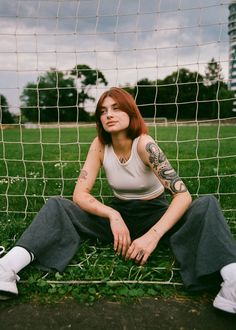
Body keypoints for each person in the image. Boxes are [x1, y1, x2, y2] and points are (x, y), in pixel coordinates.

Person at [0, 87, 236, 313]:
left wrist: (153, 236)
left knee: (207, 204)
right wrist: (113, 215)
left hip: (155, 214)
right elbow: (79, 194)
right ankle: (7, 267)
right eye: (103, 111)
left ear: (131, 112)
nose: (109, 115)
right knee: (56, 205)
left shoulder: (145, 144)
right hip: (118, 216)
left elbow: (182, 195)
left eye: (116, 108)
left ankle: (232, 284)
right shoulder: (100, 146)